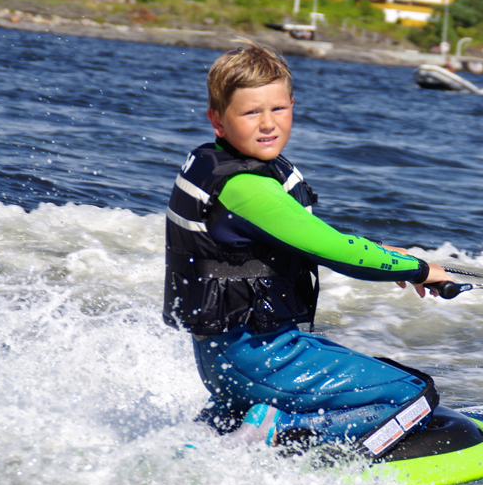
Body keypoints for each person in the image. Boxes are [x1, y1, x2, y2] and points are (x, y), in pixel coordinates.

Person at [163, 40, 454, 457]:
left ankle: (210, 443)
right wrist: (420, 270)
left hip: (224, 361)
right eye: (250, 113)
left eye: (278, 109)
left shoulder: (216, 166)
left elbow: (298, 235)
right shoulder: (246, 187)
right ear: (218, 120)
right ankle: (280, 431)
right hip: (261, 358)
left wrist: (384, 252)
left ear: (292, 106)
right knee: (413, 395)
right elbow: (337, 251)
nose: (268, 124)